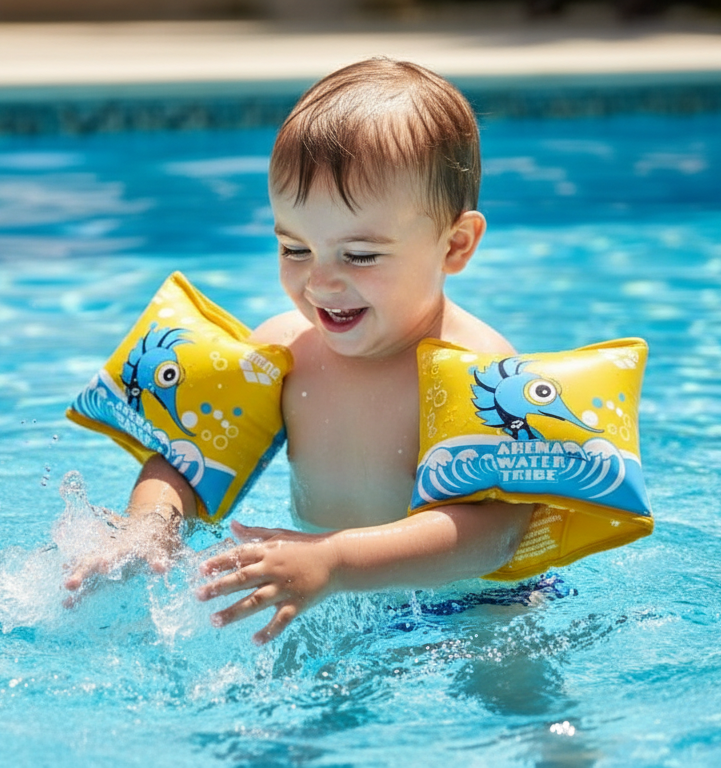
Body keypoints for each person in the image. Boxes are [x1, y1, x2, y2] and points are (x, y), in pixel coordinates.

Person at [63, 57, 535, 644]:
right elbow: (187, 456)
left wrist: (336, 560)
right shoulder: (286, 351)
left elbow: (494, 533)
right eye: (295, 248)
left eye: (359, 255)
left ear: (456, 245)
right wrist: (152, 524)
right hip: (313, 587)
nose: (320, 283)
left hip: (472, 605)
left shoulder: (481, 371)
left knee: (515, 697)